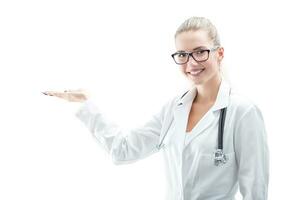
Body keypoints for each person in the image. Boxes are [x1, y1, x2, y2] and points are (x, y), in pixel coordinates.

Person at [43, 16, 269, 200]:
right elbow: (123, 151)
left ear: (219, 53)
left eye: (200, 51)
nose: (191, 63)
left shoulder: (243, 113)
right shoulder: (175, 109)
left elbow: (255, 191)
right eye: (182, 54)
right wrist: (85, 104)